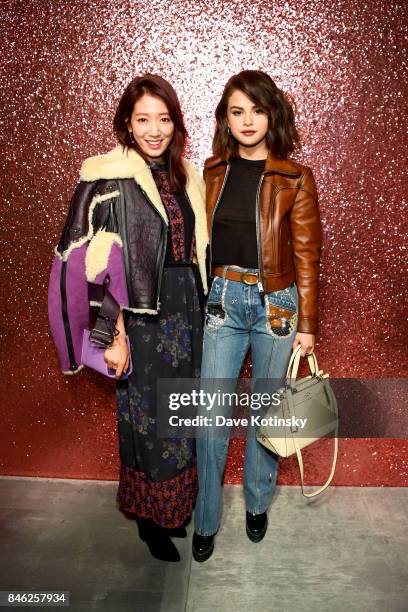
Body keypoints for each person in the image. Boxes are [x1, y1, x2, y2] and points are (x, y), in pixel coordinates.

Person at [48, 74, 209, 562]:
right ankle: (149, 520)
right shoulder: (105, 179)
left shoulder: (187, 176)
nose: (154, 130)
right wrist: (110, 335)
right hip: (140, 316)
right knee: (147, 421)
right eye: (143, 119)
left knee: (183, 411)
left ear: (176, 124)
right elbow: (92, 268)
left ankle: (173, 510)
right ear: (127, 123)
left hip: (188, 307)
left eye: (164, 119)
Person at [192, 70, 322, 562]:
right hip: (223, 299)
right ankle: (206, 518)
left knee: (267, 416)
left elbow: (307, 255)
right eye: (237, 111)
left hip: (278, 306)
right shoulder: (210, 172)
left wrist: (307, 325)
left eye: (257, 110)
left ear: (272, 115)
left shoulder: (295, 177)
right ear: (226, 118)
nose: (247, 120)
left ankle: (257, 503)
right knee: (211, 416)